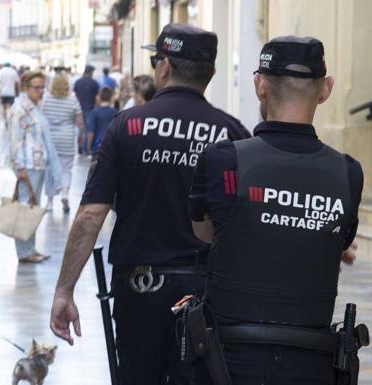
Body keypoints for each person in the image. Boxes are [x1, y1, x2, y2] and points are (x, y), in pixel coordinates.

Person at [49, 23, 251, 385]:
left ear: (164, 67)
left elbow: (91, 213)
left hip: (141, 290)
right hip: (208, 294)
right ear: (211, 74)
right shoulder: (233, 134)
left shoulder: (126, 126)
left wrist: (65, 289)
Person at [189, 36, 364, 385]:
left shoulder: (224, 160)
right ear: (326, 89)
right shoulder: (348, 172)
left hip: (227, 360)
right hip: (312, 363)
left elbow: (204, 233)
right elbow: (338, 242)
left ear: (259, 85)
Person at [8, 71, 61, 263]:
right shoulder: (20, 108)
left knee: (32, 208)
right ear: (25, 88)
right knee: (25, 207)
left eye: (42, 87)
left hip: (37, 165)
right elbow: (15, 140)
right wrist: (19, 167)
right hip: (27, 166)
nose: (40, 91)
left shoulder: (33, 108)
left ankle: (30, 248)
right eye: (36, 87)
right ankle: (24, 251)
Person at [41, 73, 84, 214]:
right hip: (67, 138)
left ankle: (49, 202)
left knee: (49, 171)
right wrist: (81, 135)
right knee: (66, 169)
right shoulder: (73, 99)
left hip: (50, 140)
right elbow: (79, 121)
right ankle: (65, 194)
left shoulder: (46, 98)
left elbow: (40, 118)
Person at [73, 65, 100, 154]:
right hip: (90, 109)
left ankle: (79, 148)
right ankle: (86, 149)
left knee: (80, 129)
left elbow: (75, 95)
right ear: (90, 72)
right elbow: (97, 97)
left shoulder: (78, 82)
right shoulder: (94, 83)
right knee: (88, 130)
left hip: (78, 109)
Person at [86, 87, 117, 154]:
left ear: (99, 97)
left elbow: (90, 132)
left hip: (97, 146)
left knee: (96, 164)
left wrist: (88, 146)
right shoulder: (116, 113)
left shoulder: (94, 113)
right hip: (112, 147)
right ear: (111, 98)